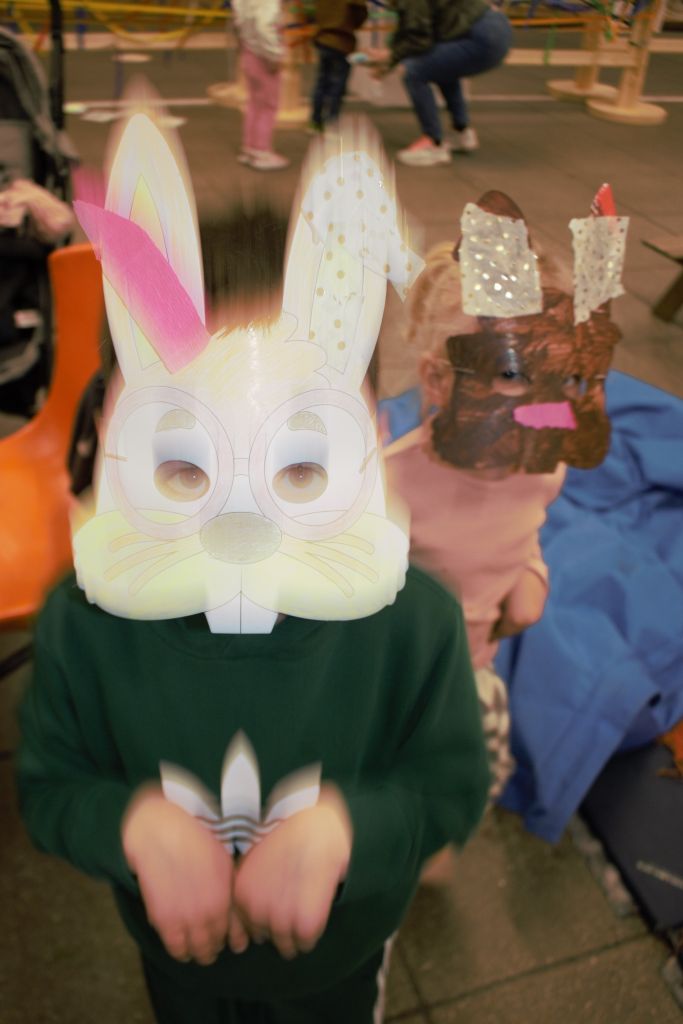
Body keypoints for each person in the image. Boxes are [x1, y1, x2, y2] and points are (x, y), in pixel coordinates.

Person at [16, 111, 490, 1023]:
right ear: (121, 435)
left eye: (299, 467)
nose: (241, 522)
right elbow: (49, 785)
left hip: (341, 963)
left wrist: (350, 828)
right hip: (176, 960)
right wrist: (133, 824)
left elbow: (449, 788)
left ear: (368, 438)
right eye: (188, 465)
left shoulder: (414, 624)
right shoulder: (85, 620)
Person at [385, 188, 625, 803]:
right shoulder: (386, 485)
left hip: (472, 672)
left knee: (463, 788)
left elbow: (528, 528)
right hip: (384, 684)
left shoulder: (541, 467)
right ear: (440, 380)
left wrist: (531, 575)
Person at [371, 0, 512, 165]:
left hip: (481, 36)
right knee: (442, 68)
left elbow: (419, 39)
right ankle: (461, 132)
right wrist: (390, 58)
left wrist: (391, 57)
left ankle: (433, 143)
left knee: (413, 71)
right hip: (495, 29)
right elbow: (410, 29)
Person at [232, 0, 289, 170]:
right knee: (268, 105)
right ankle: (261, 151)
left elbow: (239, 22)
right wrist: (275, 54)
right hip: (263, 56)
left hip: (249, 51)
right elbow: (265, 26)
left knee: (254, 103)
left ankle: (250, 147)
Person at [310, 1, 368, 133]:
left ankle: (315, 120)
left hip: (323, 38)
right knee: (337, 84)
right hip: (342, 41)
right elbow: (361, 12)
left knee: (322, 82)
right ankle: (331, 121)